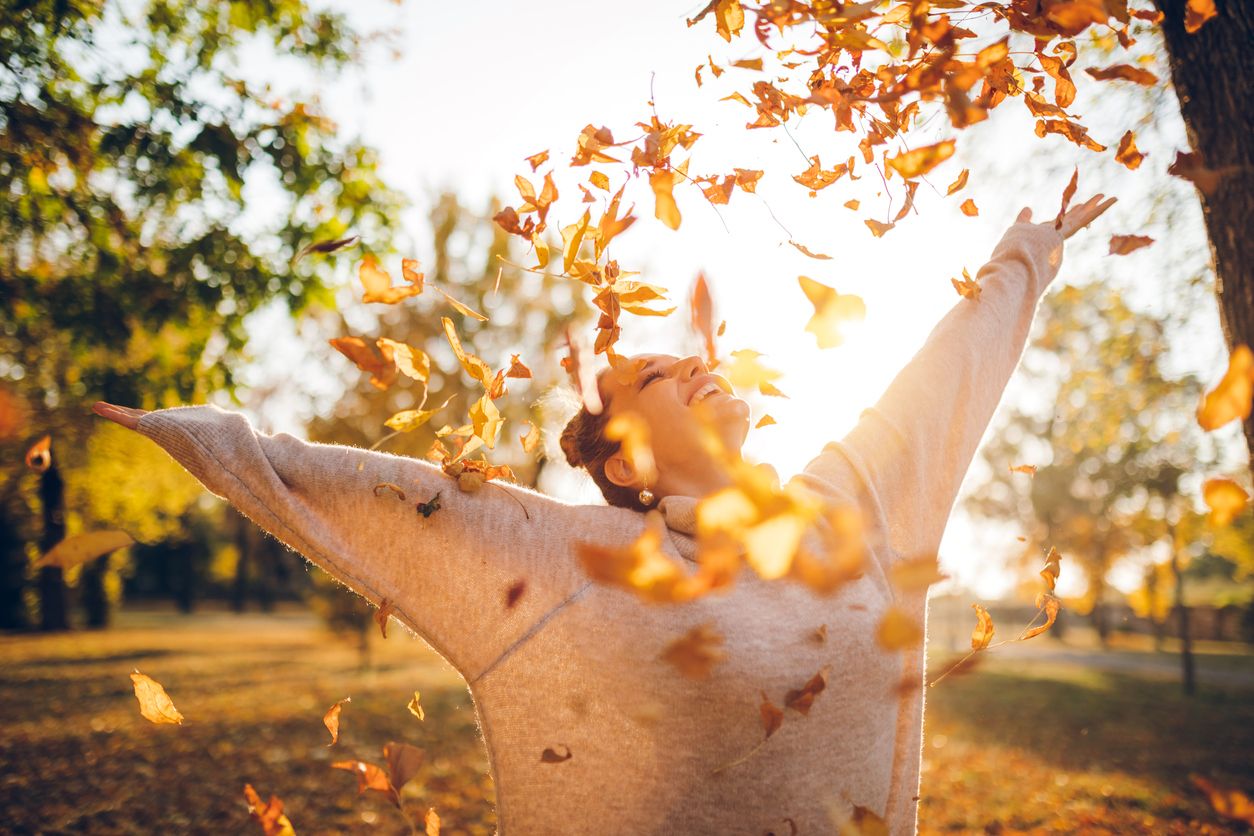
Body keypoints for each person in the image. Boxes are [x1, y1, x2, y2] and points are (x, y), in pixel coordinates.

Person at [95, 196, 1114, 834]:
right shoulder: (574, 563)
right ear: (625, 457)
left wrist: (1027, 250)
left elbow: (943, 376)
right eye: (660, 373)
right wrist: (189, 434)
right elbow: (374, 495)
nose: (697, 363)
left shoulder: (856, 506)